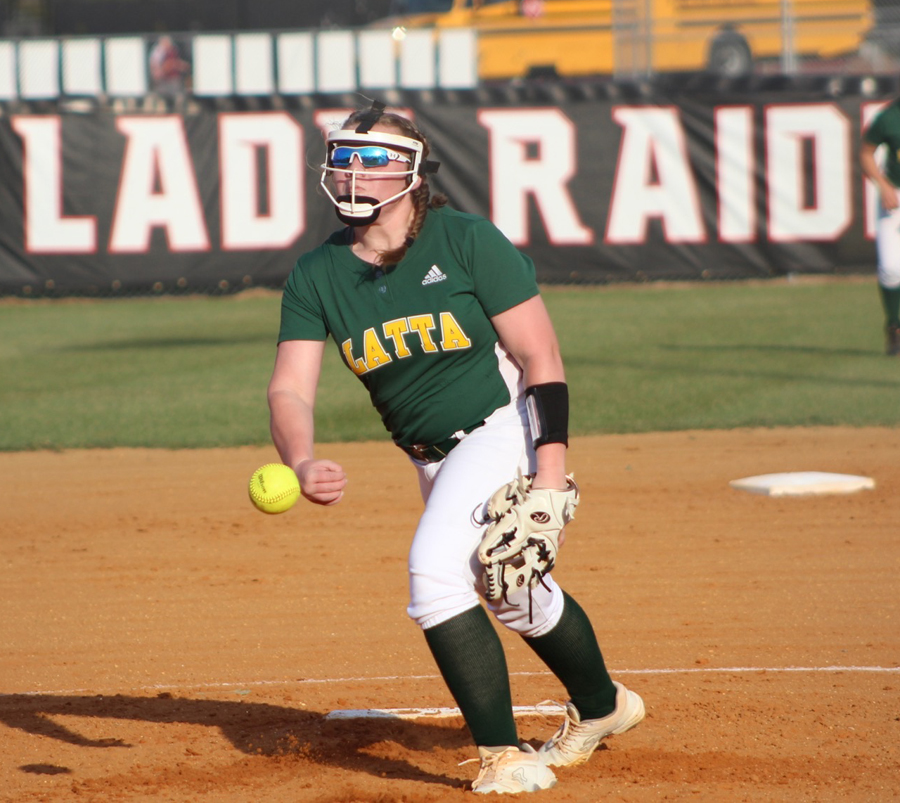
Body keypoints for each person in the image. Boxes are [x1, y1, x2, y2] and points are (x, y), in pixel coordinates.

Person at [266, 102, 644, 794]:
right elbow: (289, 389)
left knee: (435, 574)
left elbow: (542, 356)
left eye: (373, 159)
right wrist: (299, 457)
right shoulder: (317, 273)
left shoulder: (466, 239)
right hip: (431, 456)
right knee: (510, 590)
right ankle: (604, 706)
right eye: (346, 156)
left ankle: (502, 753)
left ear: (412, 174)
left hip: (503, 425)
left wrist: (551, 473)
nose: (354, 171)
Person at [860, 101, 900, 356]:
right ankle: (894, 326)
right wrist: (883, 185)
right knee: (891, 269)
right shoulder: (888, 117)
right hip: (895, 194)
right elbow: (865, 152)